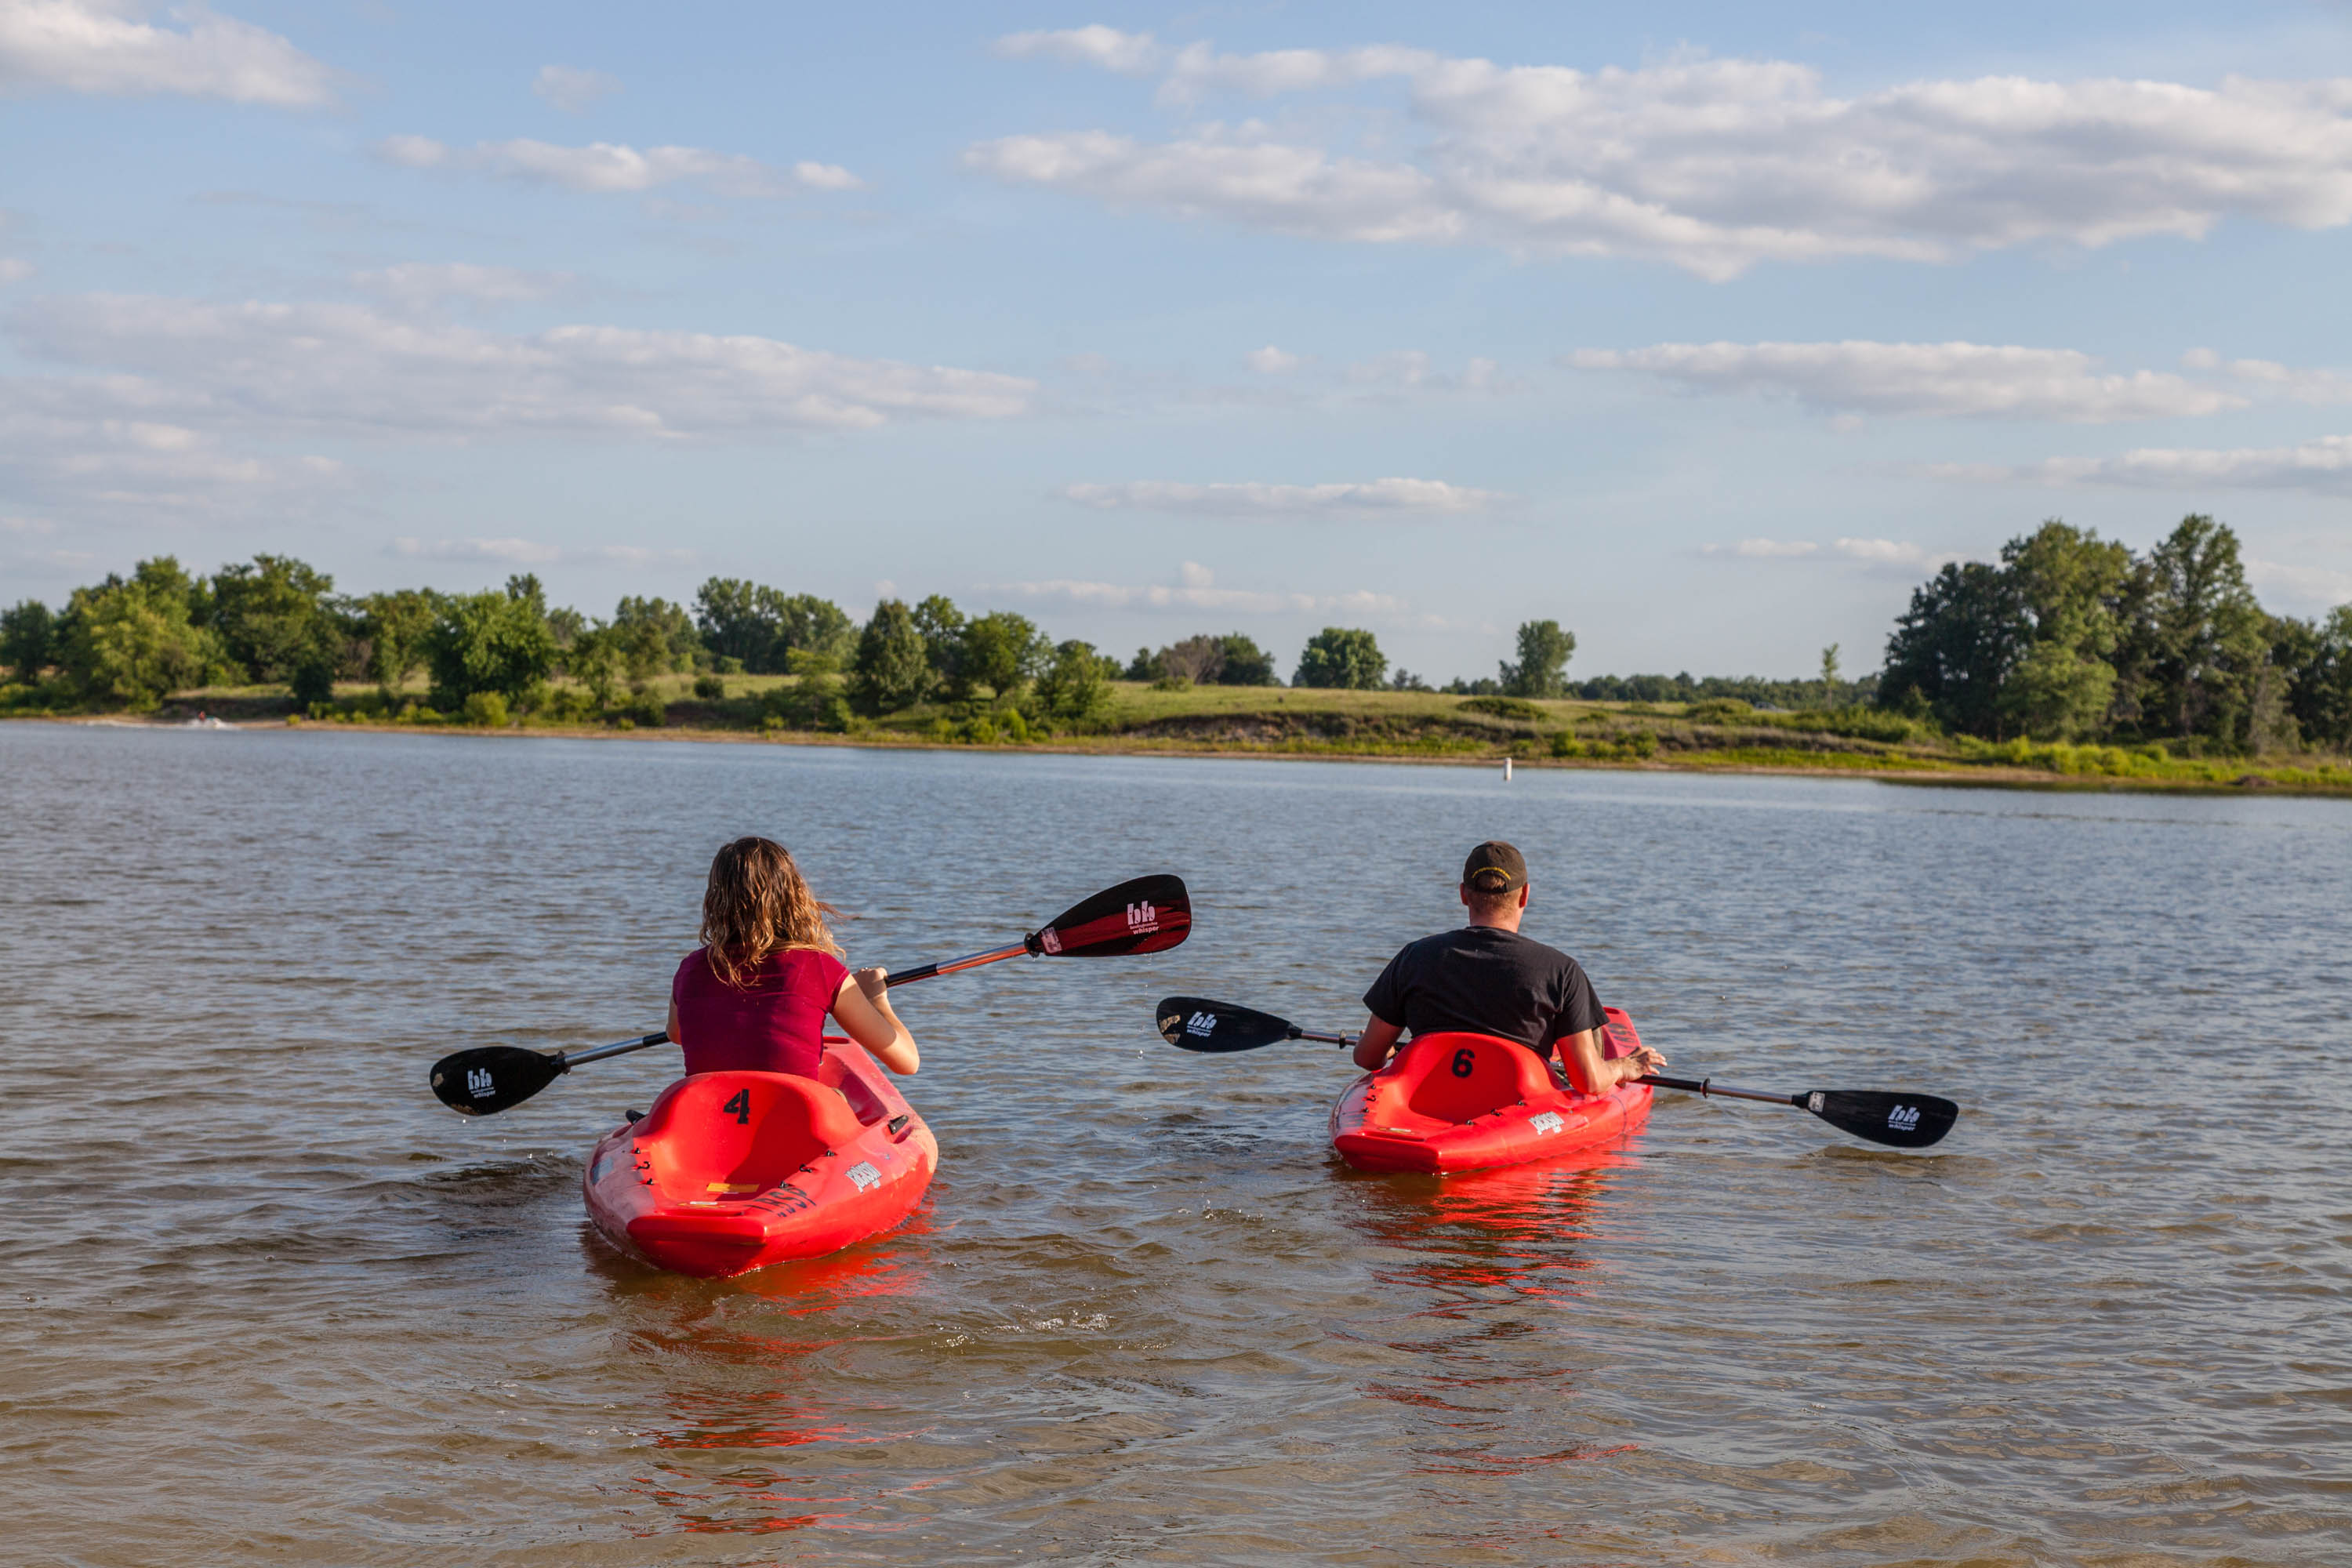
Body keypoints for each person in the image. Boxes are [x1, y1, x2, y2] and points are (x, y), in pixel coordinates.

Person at [1352, 840, 1664, 1095]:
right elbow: (1588, 1081)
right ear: (1525, 895)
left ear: (1463, 894)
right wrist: (1625, 1066)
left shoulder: (1414, 957)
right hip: (1512, 1108)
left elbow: (1367, 1057)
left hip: (1426, 1100)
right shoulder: (1562, 971)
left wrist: (1393, 1053)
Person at [666, 836, 919, 1079]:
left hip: (713, 1106)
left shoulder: (689, 969)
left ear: (714, 901)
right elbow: (907, 1062)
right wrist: (875, 999)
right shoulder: (820, 969)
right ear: (793, 897)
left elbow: (676, 1034)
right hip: (789, 1106)